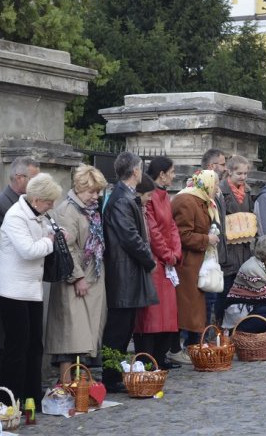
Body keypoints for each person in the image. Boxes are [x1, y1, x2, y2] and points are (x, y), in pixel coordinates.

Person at [0, 173, 62, 407]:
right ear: (36, 199)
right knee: (16, 346)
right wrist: (51, 241)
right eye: (49, 201)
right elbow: (28, 250)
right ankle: (10, 399)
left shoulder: (39, 215)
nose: (51, 206)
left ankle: (32, 395)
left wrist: (56, 236)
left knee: (34, 345)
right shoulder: (15, 217)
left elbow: (44, 239)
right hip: (11, 291)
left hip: (31, 290)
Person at [45, 165, 108, 384]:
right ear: (80, 188)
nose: (96, 196)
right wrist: (78, 277)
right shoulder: (67, 210)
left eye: (97, 191)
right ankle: (65, 383)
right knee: (70, 334)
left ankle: (81, 382)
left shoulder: (89, 210)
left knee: (86, 335)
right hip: (74, 280)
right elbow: (67, 248)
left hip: (93, 275)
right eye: (92, 191)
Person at [101, 152, 157, 392]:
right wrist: (149, 259)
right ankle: (110, 376)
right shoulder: (122, 199)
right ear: (136, 171)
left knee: (124, 327)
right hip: (123, 270)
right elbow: (130, 237)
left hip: (128, 270)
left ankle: (115, 372)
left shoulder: (125, 196)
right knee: (118, 328)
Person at [0, 156, 40, 394]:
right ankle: (1, 392)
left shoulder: (28, 203)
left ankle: (29, 392)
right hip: (7, 281)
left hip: (27, 282)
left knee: (28, 341)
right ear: (20, 178)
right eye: (34, 179)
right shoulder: (2, 205)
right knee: (8, 341)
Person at [132, 157, 185, 369]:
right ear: (162, 174)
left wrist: (175, 252)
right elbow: (152, 230)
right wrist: (167, 254)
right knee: (152, 314)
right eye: (171, 172)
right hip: (156, 261)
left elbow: (172, 226)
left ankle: (161, 355)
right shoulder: (151, 196)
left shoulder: (164, 197)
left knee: (168, 313)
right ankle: (149, 357)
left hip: (166, 261)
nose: (173, 176)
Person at [172, 170, 220, 348]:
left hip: (198, 262)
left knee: (196, 308)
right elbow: (181, 235)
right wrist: (207, 239)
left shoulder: (202, 200)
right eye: (215, 184)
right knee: (187, 308)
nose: (217, 188)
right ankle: (181, 347)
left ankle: (194, 345)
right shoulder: (186, 200)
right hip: (186, 263)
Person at [216, 155, 254, 323]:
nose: (243, 177)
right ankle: (218, 324)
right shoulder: (221, 190)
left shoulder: (248, 191)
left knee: (239, 289)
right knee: (224, 290)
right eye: (239, 173)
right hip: (227, 247)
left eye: (245, 173)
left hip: (243, 246)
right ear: (229, 172)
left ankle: (236, 325)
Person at [200, 149, 227, 325]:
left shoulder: (217, 190)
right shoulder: (200, 190)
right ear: (211, 166)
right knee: (205, 299)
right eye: (222, 164)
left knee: (214, 297)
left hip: (217, 254)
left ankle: (211, 330)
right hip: (205, 255)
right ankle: (200, 336)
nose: (225, 168)